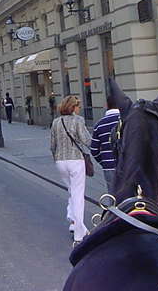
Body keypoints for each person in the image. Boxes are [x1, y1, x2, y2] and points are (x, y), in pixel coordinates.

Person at [50, 95, 91, 246]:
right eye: (78, 106)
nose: (79, 109)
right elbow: (87, 140)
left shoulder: (56, 122)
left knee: (71, 191)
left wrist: (56, 158)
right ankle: (79, 234)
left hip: (60, 161)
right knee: (78, 195)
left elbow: (52, 145)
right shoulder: (78, 120)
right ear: (73, 107)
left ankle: (74, 222)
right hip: (75, 160)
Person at [90, 94, 121, 192]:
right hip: (127, 164)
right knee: (130, 195)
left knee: (112, 194)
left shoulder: (99, 124)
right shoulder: (127, 120)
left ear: (107, 105)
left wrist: (103, 161)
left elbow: (94, 150)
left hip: (108, 165)